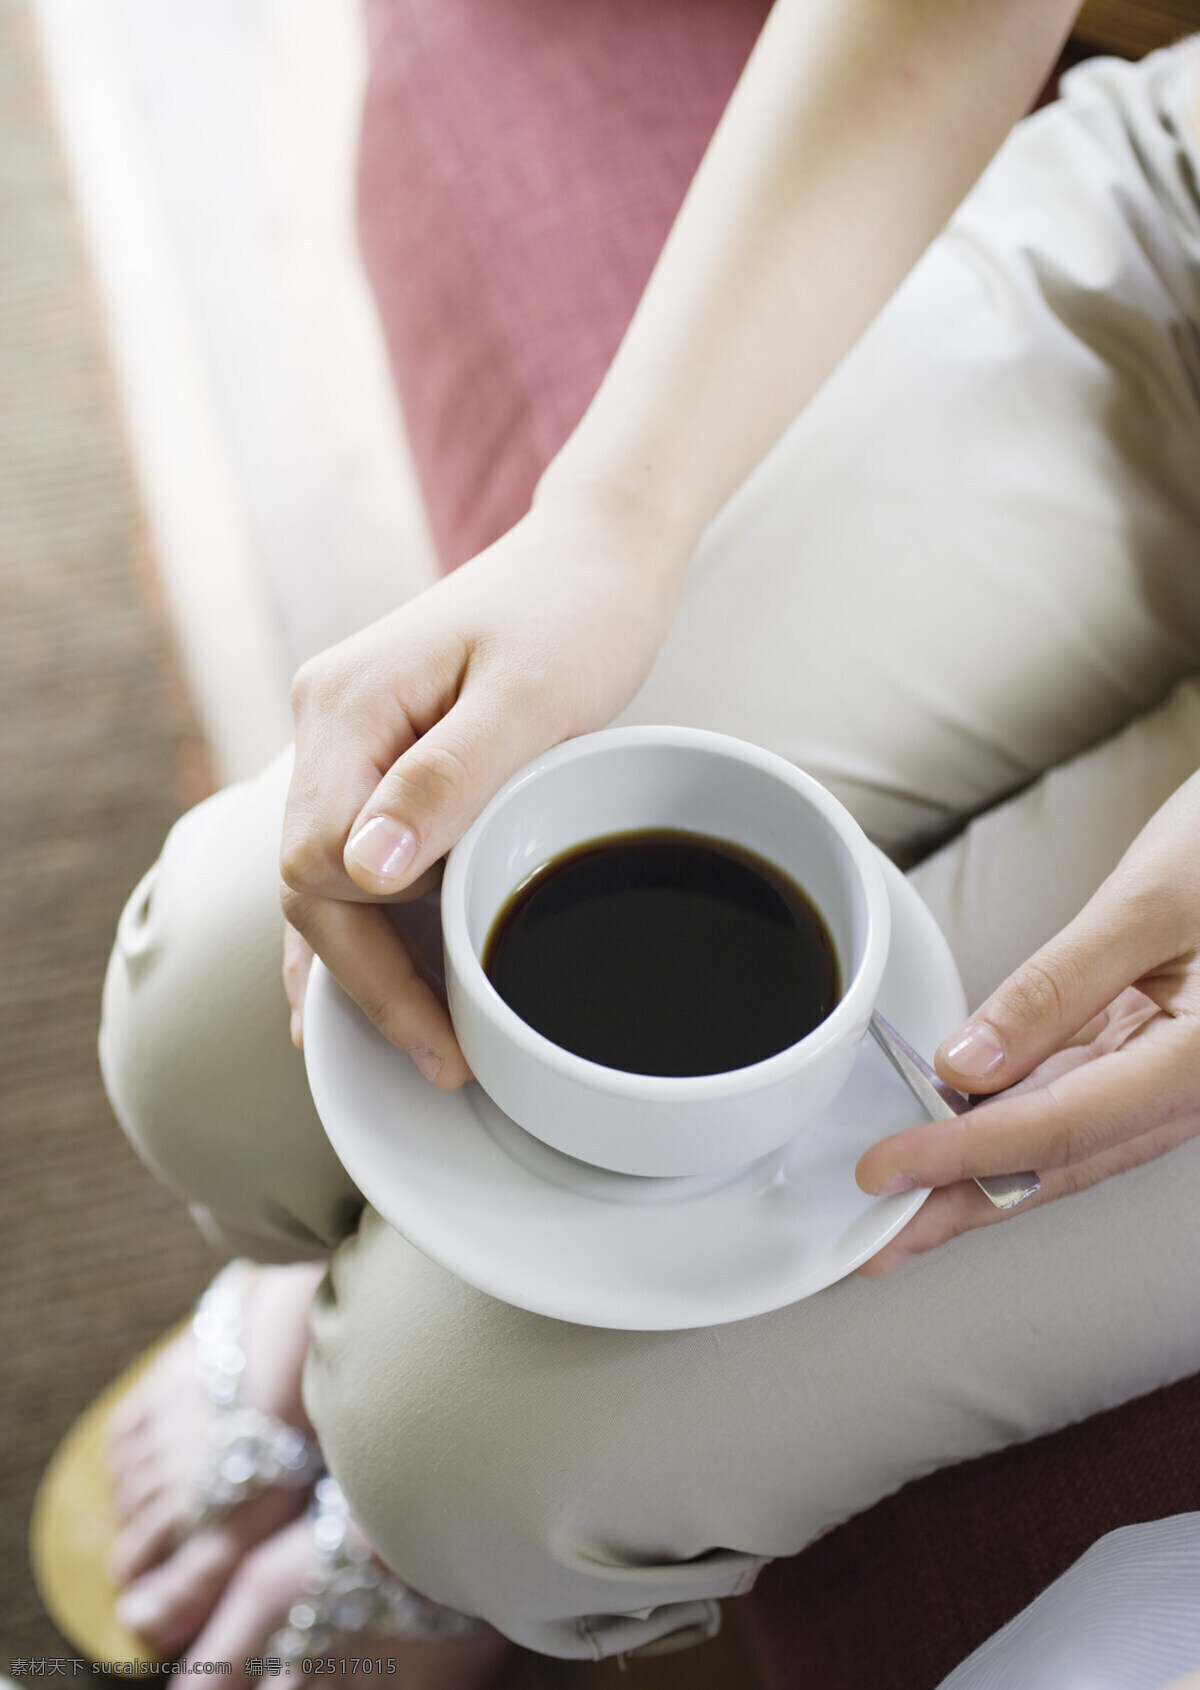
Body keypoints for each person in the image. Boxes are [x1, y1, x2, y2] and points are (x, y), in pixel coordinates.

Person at [90, 0, 1200, 1678]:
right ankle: (354, 1264)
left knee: (464, 1441)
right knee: (214, 994)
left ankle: (397, 1462)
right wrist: (608, 518)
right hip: (1173, 268)